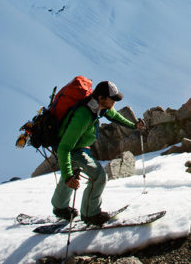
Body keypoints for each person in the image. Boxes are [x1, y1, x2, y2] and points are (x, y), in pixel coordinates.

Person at [51, 80, 145, 225]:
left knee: (74, 171)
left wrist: (133, 125)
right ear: (101, 98)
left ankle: (60, 207)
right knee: (99, 176)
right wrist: (68, 176)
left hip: (78, 147)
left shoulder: (100, 107)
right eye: (112, 99)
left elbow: (114, 116)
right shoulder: (83, 115)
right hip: (73, 149)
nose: (114, 102)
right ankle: (90, 214)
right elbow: (65, 148)